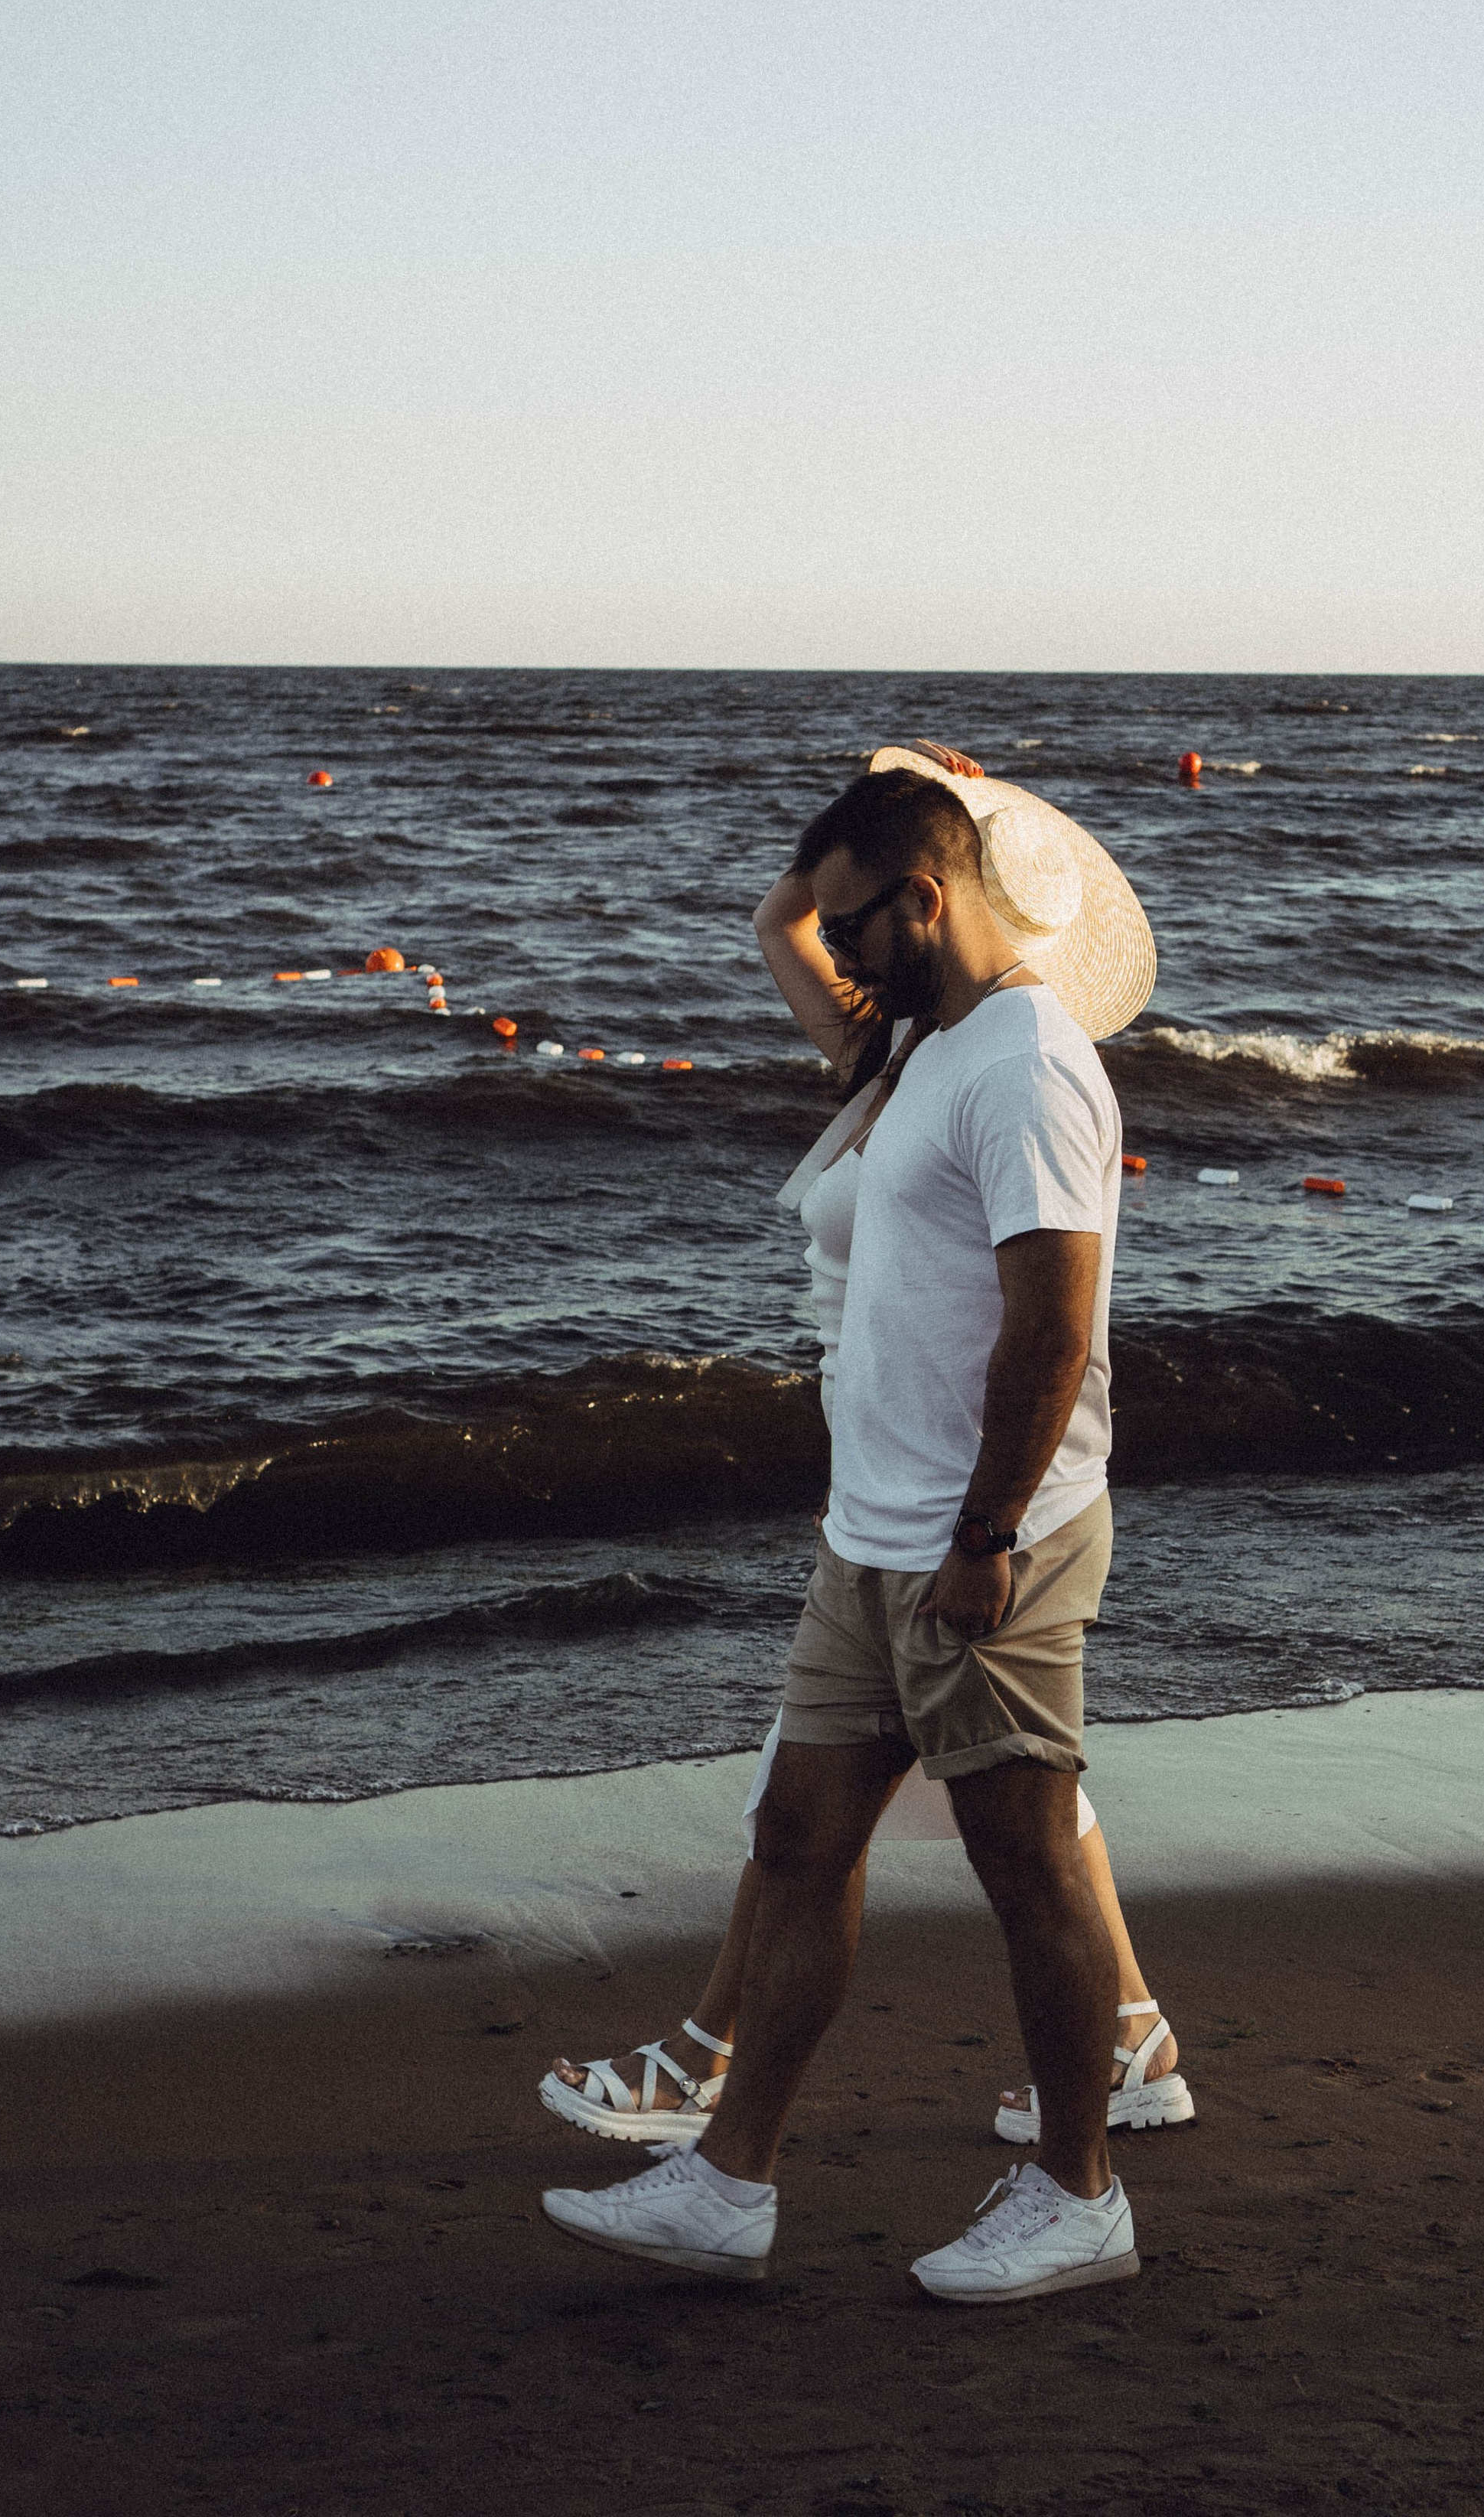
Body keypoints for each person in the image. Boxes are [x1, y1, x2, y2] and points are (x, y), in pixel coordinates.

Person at [543, 747, 1157, 2300]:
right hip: (870, 1534)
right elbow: (809, 929)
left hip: (984, 1541)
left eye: (855, 924)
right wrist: (884, 790)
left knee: (1029, 1869)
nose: (837, 954)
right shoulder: (929, 1046)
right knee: (798, 1843)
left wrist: (986, 1536)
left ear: (927, 901)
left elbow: (1054, 1327)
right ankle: (726, 2184)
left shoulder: (1027, 1064)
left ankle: (1080, 2193)